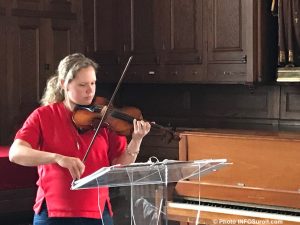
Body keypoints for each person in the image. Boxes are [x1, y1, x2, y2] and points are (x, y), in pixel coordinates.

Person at [9, 53, 151, 225]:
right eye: (82, 85)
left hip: (98, 213)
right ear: (63, 84)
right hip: (53, 213)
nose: (90, 90)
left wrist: (136, 140)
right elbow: (16, 153)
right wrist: (57, 157)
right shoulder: (44, 115)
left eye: (93, 83)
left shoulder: (105, 120)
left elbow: (120, 163)